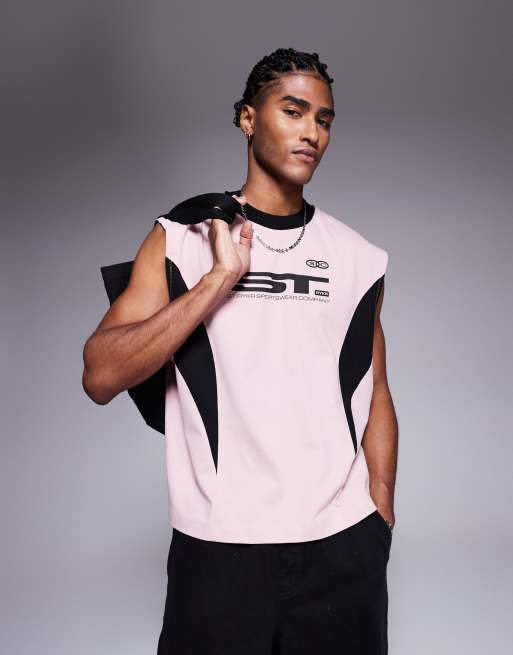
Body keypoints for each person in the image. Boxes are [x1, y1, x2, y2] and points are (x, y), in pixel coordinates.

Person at [82, 47, 399, 654]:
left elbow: (376, 388)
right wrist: (217, 281)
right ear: (248, 119)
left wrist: (379, 508)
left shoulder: (359, 257)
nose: (311, 132)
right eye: (293, 111)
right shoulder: (182, 238)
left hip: (341, 548)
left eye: (324, 120)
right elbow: (99, 374)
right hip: (219, 551)